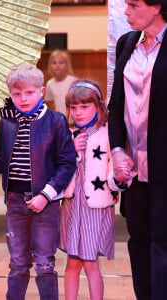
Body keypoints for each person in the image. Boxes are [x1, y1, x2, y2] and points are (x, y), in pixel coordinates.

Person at [0, 63, 76, 300]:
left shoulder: (55, 121)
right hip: (15, 202)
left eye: (29, 92)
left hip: (45, 204)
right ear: (10, 94)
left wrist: (46, 195)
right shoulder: (8, 123)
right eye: (17, 94)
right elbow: (1, 161)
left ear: (41, 91)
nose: (23, 98)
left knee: (44, 263)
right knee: (17, 264)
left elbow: (67, 164)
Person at [108, 1, 167, 299]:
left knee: (163, 244)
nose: (126, 11)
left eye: (133, 4)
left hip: (164, 168)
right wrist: (117, 149)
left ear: (156, 7)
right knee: (138, 241)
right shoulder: (126, 43)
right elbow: (116, 104)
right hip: (132, 168)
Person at [60, 79, 131, 300]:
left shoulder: (108, 134)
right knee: (72, 262)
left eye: (84, 106)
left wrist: (119, 177)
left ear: (98, 106)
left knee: (91, 263)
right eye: (73, 107)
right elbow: (58, 167)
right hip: (72, 206)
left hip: (95, 209)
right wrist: (70, 150)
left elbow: (114, 171)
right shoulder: (66, 133)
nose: (78, 112)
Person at [44, 50, 77, 117]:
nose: (57, 65)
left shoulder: (74, 81)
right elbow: (49, 103)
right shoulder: (50, 84)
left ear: (67, 66)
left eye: (61, 63)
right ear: (50, 66)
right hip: (59, 119)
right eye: (54, 63)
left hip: (73, 118)